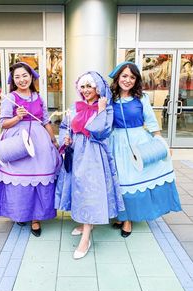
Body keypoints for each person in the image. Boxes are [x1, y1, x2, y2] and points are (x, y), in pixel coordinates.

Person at [0, 62, 61, 237]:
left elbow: (45, 121)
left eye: (25, 75)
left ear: (31, 77)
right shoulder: (10, 97)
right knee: (18, 178)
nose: (22, 80)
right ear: (13, 80)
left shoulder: (38, 97)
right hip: (17, 142)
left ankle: (35, 218)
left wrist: (53, 140)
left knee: (40, 177)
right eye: (17, 77)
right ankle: (20, 214)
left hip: (40, 144)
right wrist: (18, 117)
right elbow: (3, 123)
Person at [55, 71, 124, 259]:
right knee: (78, 189)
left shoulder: (106, 108)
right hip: (76, 152)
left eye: (89, 86)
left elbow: (101, 132)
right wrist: (66, 138)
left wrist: (101, 110)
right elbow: (64, 127)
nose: (85, 91)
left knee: (89, 191)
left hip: (94, 154)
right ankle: (86, 222)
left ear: (98, 88)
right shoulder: (75, 106)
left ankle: (85, 237)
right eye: (82, 87)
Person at [108, 61, 181, 238]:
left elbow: (150, 121)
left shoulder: (142, 98)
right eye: (124, 76)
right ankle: (121, 215)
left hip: (138, 142)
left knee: (135, 178)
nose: (128, 80)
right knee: (120, 180)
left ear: (136, 80)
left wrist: (160, 141)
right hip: (116, 143)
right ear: (117, 78)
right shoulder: (109, 98)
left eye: (132, 77)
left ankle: (128, 220)